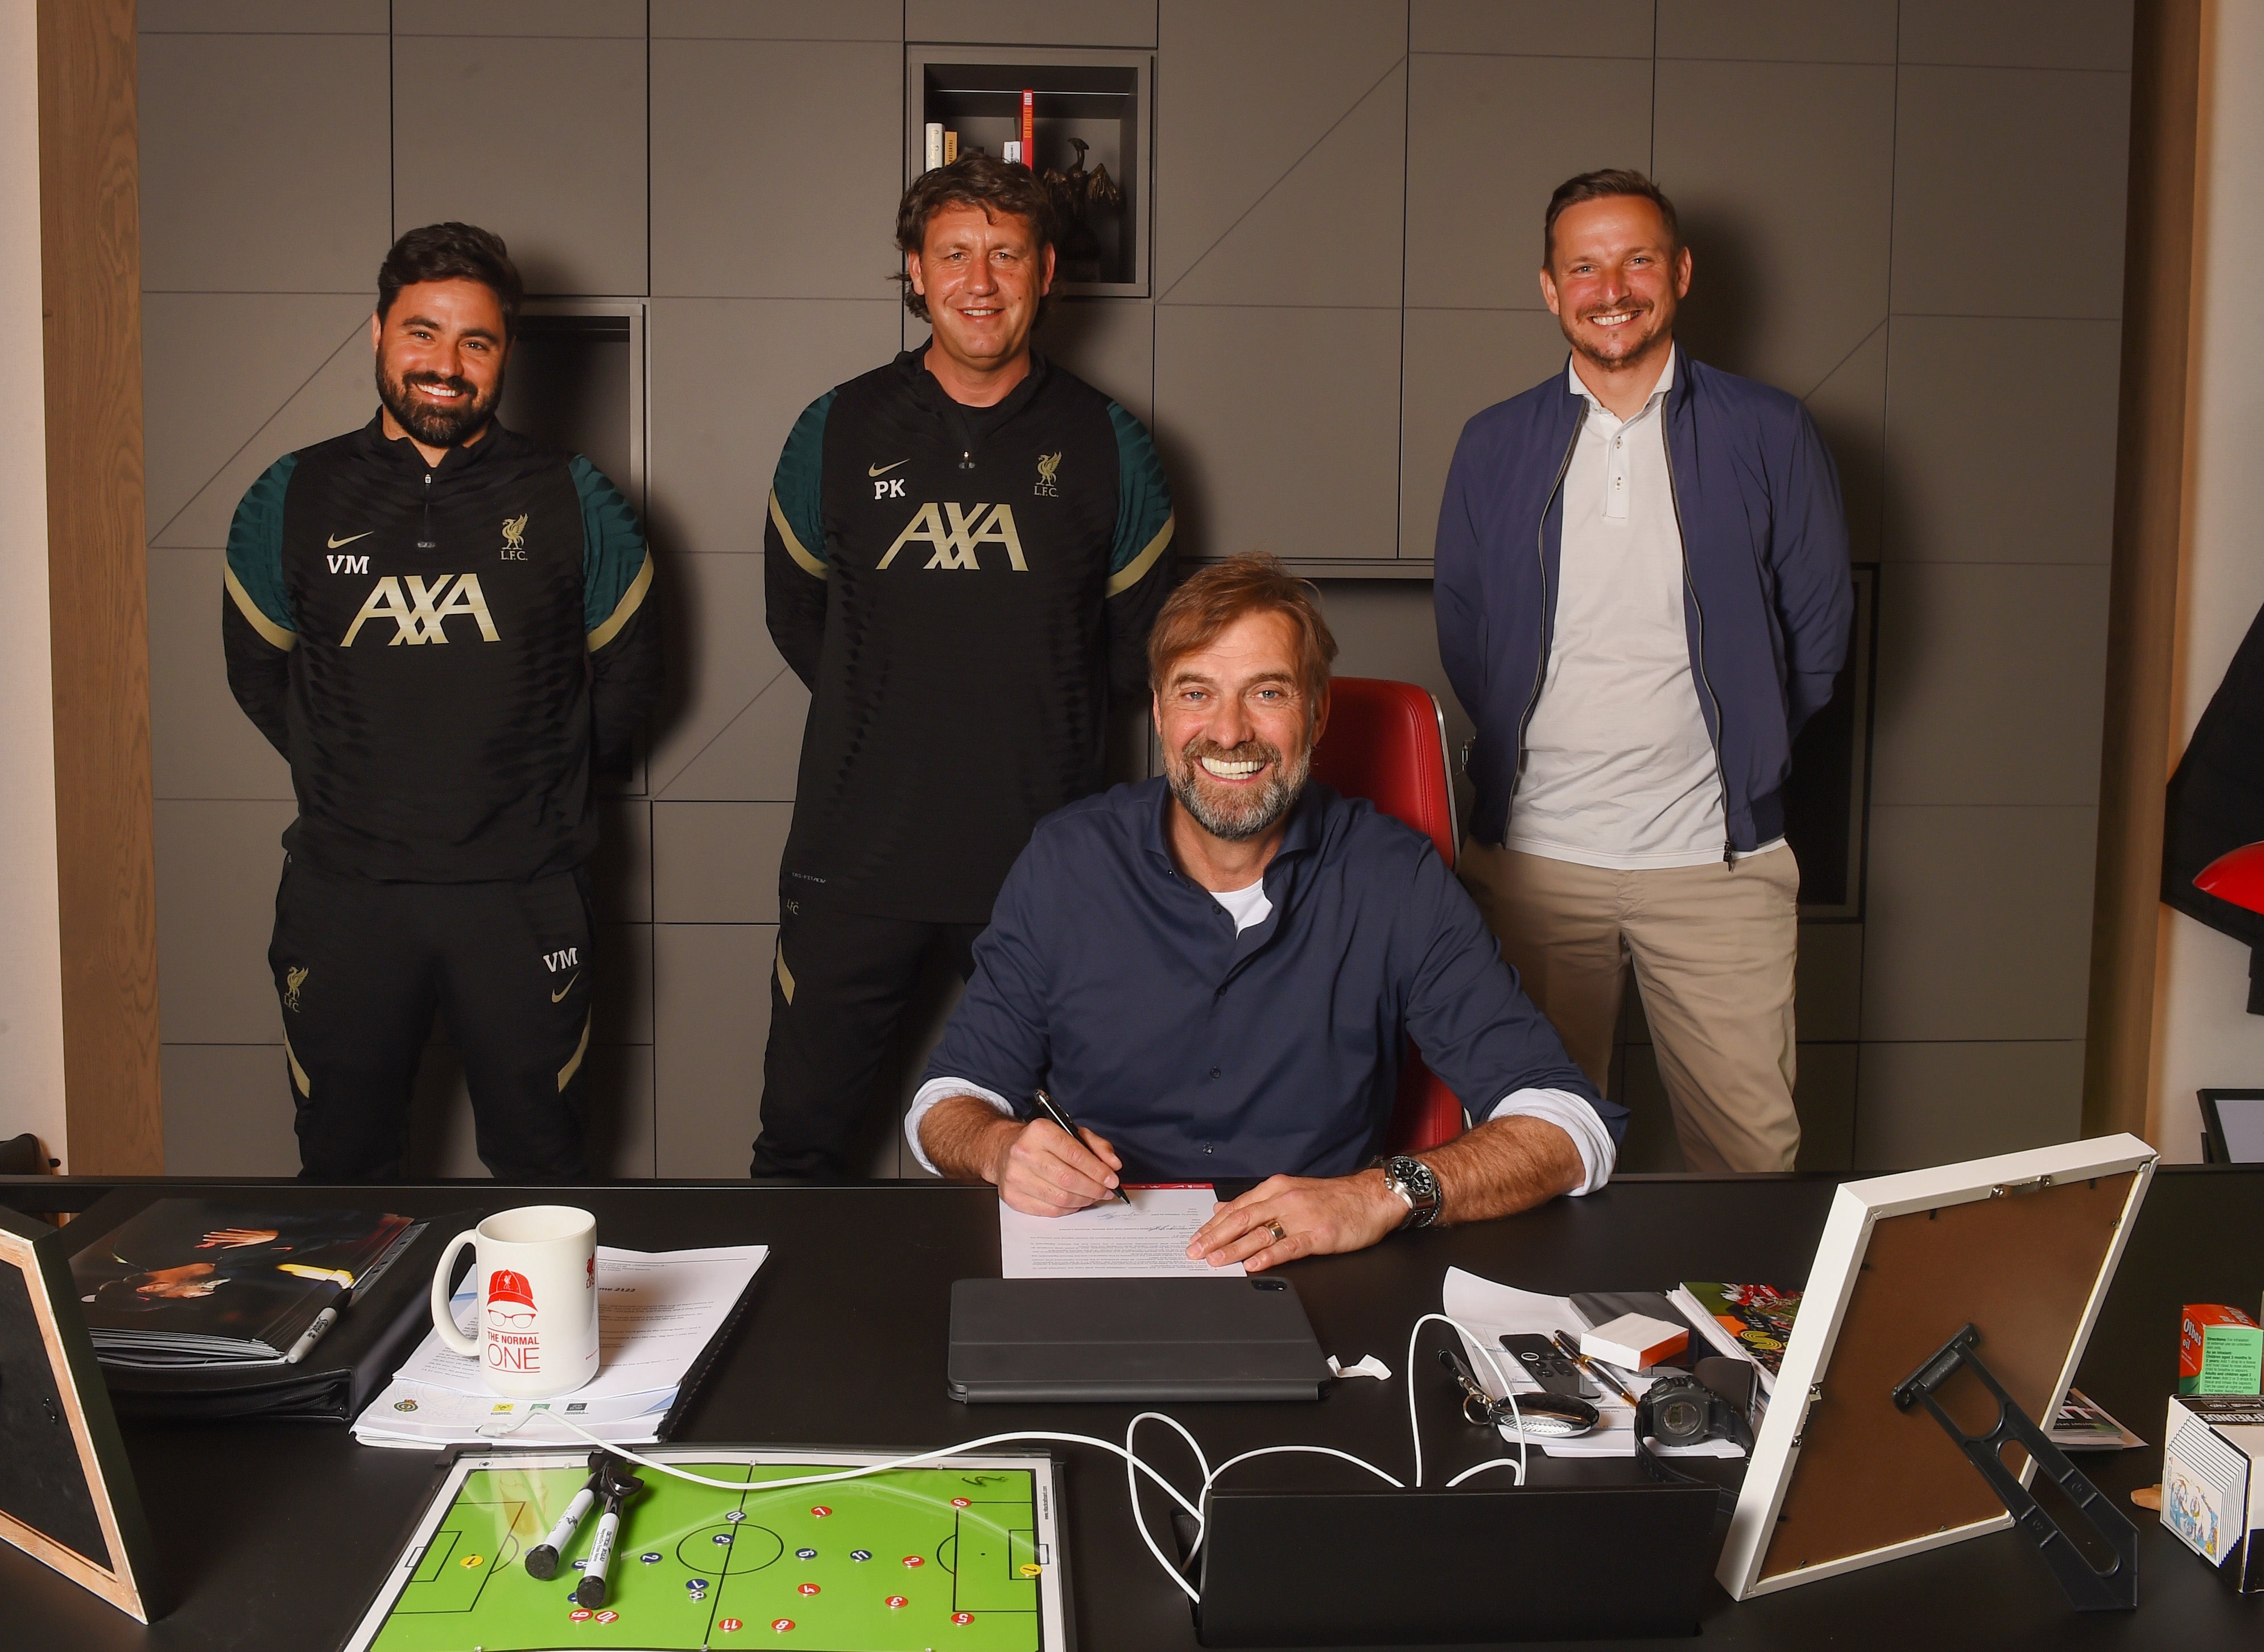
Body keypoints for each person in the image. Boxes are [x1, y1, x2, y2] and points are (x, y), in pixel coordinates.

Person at [910, 556, 1626, 1272]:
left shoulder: (1393, 877)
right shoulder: (1066, 861)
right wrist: (1001, 1148)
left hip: (1316, 1276)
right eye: (1197, 693)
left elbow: (1572, 1127)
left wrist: (1379, 1194)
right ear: (1159, 712)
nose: (1227, 732)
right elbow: (946, 1101)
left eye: (1267, 693)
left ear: (1316, 713)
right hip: (1095, 1258)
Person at [754, 154, 1176, 1179]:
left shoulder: (1112, 443)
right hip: (857, 854)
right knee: (803, 1150)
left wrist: (1018, 713)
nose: (979, 281)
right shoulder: (836, 428)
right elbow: (797, 613)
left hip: (1043, 863)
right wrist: (896, 708)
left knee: (1075, 1164)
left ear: (1047, 275)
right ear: (914, 270)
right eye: (953, 255)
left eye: (1005, 255)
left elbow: (1141, 653)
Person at [223, 222, 661, 1182]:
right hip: (348, 899)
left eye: (477, 342)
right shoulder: (289, 495)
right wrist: (352, 777)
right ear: (378, 332)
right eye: (423, 333)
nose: (445, 365)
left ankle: (532, 1343)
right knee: (343, 1173)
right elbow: (257, 674)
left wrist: (533, 787)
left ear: (506, 354)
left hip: (521, 895)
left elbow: (630, 678)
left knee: (543, 1172)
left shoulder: (573, 496)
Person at [1434, 169, 1852, 1174]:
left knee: (1752, 1163)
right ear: (1549, 288)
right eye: (1584, 265)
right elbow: (1465, 630)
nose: (1610, 287)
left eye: (1636, 260)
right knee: (1531, 1160)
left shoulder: (1769, 431)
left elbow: (1820, 628)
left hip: (1716, 868)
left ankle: (1746, 1340)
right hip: (1536, 866)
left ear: (1681, 274)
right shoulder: (1494, 443)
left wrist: (1745, 756)